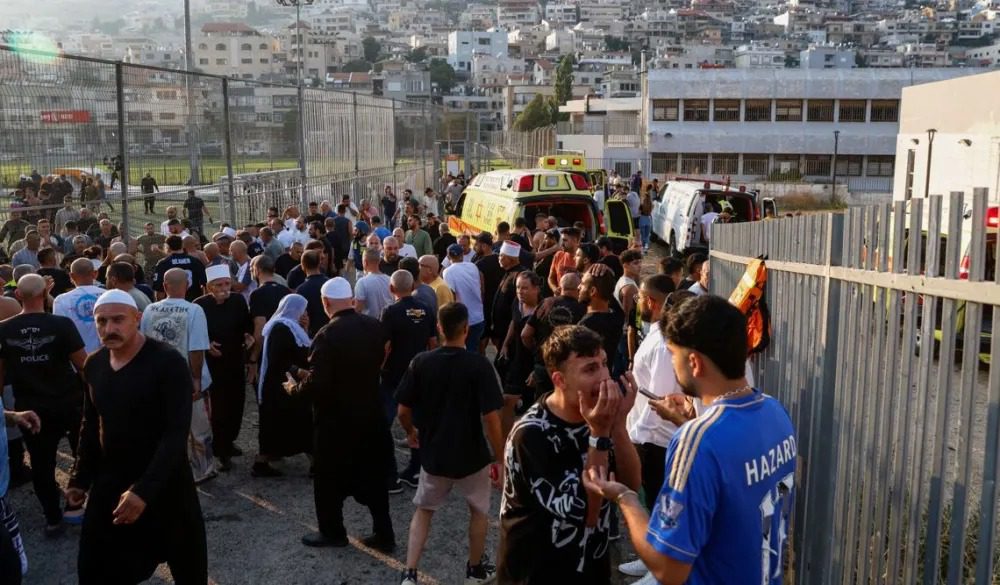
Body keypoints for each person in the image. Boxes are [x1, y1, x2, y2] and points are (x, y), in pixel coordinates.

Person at [582, 295, 796, 585]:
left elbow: (668, 568)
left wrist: (625, 497)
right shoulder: (775, 411)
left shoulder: (696, 439)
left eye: (673, 354)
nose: (672, 363)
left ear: (694, 362)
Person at [67, 289, 208, 584]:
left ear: (137, 318)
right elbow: (91, 423)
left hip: (166, 481)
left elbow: (175, 432)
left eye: (118, 320)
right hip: (112, 480)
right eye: (101, 321)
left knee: (186, 565)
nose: (109, 329)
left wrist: (143, 491)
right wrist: (80, 478)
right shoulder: (94, 364)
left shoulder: (167, 363)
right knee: (96, 566)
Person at [499, 325, 641, 583]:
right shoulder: (531, 435)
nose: (604, 377)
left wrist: (618, 424)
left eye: (604, 364)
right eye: (589, 369)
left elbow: (630, 485)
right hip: (538, 573)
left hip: (591, 569)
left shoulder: (598, 417)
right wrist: (599, 433)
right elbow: (588, 514)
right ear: (559, 380)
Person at [397, 302, 504, 585]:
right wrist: (501, 457)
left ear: (439, 328)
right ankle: (474, 569)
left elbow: (402, 411)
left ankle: (410, 573)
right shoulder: (479, 365)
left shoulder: (421, 361)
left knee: (424, 510)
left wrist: (411, 432)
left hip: (435, 452)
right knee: (479, 511)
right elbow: (491, 418)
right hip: (472, 454)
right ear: (467, 329)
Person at [286, 278, 396, 552]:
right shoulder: (374, 325)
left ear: (325, 303)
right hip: (371, 416)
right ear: (350, 299)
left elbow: (319, 383)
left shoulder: (327, 334)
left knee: (328, 481)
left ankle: (332, 532)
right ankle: (384, 534)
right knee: (374, 480)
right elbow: (383, 357)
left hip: (336, 423)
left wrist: (294, 388)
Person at [0, 275, 87, 536]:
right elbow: (82, 364)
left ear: (18, 296)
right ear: (45, 294)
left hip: (30, 406)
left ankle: (52, 517)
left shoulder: (3, 329)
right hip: (68, 402)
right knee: (81, 454)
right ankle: (76, 504)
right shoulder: (61, 324)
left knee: (41, 462)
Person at [616, 274, 677, 582]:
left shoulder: (666, 344)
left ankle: (659, 567)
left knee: (657, 502)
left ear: (651, 301)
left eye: (640, 297)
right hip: (646, 434)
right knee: (653, 502)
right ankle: (650, 557)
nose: (637, 302)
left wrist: (636, 434)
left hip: (656, 439)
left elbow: (660, 398)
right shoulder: (655, 333)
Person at [141, 268, 216, 484]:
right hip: (185, 376)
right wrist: (196, 378)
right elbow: (197, 348)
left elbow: (144, 344)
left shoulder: (149, 310)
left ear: (164, 287)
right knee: (197, 427)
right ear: (188, 285)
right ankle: (202, 469)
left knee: (165, 426)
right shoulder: (194, 310)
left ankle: (167, 468)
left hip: (158, 377)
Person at [380, 270, 438, 490]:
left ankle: (390, 476)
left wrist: (378, 368)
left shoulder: (390, 311)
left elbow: (385, 347)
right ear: (413, 285)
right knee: (417, 422)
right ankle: (415, 470)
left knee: (384, 423)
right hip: (420, 373)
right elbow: (433, 342)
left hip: (394, 375)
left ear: (391, 289)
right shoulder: (426, 308)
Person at [195, 265, 252, 472]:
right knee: (219, 407)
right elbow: (196, 333)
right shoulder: (200, 305)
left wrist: (248, 335)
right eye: (219, 285)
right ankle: (220, 450)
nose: (224, 288)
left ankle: (229, 440)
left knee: (236, 403)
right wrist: (207, 343)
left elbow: (246, 325)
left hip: (235, 358)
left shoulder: (237, 301)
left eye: (227, 284)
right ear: (209, 287)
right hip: (214, 363)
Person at [253, 294, 312, 477]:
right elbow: (278, 358)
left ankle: (264, 461)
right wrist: (298, 371)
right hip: (281, 385)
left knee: (285, 423)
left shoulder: (293, 327)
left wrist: (306, 327)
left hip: (285, 385)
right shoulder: (281, 328)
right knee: (295, 422)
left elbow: (303, 350)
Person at [498, 270, 542, 438]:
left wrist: (538, 368)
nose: (520, 292)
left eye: (525, 288)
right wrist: (506, 343)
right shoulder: (517, 302)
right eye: (518, 288)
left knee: (533, 407)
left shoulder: (543, 309)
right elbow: (513, 322)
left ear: (536, 289)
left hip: (533, 363)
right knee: (508, 400)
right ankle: (505, 443)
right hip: (516, 358)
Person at [53, 258, 105, 354]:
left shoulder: (61, 301)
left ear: (71, 276)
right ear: (95, 274)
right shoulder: (108, 296)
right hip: (107, 358)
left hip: (76, 359)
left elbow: (60, 333)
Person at [578, 265, 625, 371]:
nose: (578, 287)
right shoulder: (617, 318)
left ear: (592, 291)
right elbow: (608, 294)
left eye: (582, 284)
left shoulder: (585, 326)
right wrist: (607, 274)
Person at [442, 244, 485, 352]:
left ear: (448, 256)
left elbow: (451, 295)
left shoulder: (448, 272)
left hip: (462, 321)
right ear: (462, 254)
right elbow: (481, 286)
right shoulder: (473, 266)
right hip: (478, 317)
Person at [151, 235, 208, 302]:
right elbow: (206, 284)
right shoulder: (195, 261)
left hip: (172, 305)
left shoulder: (163, 263)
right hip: (193, 302)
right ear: (182, 245)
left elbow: (159, 290)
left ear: (167, 247)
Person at [295, 250, 330, 337]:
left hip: (313, 335)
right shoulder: (330, 283)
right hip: (331, 331)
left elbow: (301, 318)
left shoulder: (301, 289)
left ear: (302, 266)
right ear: (319, 264)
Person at [355, 248, 393, 320]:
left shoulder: (362, 282)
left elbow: (358, 309)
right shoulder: (390, 279)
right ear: (379, 261)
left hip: (369, 325)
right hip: (388, 323)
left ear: (365, 262)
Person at [547, 227, 581, 294]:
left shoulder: (584, 258)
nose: (562, 244)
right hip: (560, 299)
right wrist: (554, 289)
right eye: (561, 240)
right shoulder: (558, 255)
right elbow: (551, 278)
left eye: (565, 240)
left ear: (575, 241)